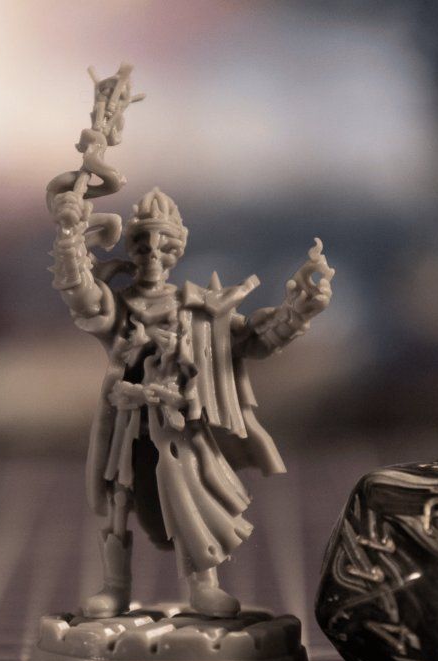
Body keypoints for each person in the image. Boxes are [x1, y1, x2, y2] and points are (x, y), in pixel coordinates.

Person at [49, 184, 333, 618]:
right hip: (128, 421)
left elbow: (254, 340)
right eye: (143, 244)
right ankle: (115, 588)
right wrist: (70, 235)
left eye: (164, 245)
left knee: (190, 501)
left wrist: (298, 311)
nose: (153, 254)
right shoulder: (119, 307)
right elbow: (82, 296)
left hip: (180, 426)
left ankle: (204, 587)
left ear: (177, 250)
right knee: (119, 501)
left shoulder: (198, 308)